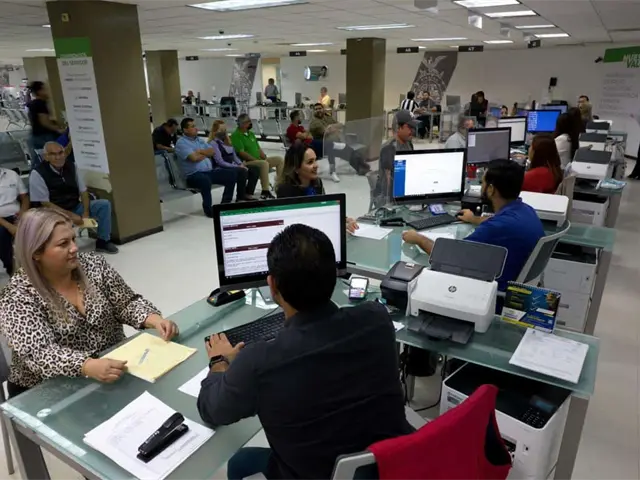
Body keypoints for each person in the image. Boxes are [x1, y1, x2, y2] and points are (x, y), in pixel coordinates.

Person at [197, 223, 411, 480]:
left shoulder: (259, 362)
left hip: (313, 473)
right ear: (334, 274)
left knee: (240, 462)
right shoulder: (376, 319)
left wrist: (219, 361)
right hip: (390, 464)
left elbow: (212, 410)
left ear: (272, 285)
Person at [0, 208, 178, 398]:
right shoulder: (17, 295)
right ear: (36, 252)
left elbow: (125, 303)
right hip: (48, 391)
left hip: (110, 371)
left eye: (73, 239)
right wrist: (86, 365)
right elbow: (39, 354)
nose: (74, 248)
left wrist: (153, 319)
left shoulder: (93, 264)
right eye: (63, 244)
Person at [402, 159, 544, 291]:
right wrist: (473, 219)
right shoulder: (526, 210)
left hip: (490, 293)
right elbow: (499, 222)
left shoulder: (495, 228)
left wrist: (419, 239)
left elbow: (449, 257)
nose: (481, 186)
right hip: (516, 287)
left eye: (483, 182)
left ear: (491, 189)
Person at [29, 142, 119, 254]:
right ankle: (62, 250)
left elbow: (83, 191)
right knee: (58, 224)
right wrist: (71, 216)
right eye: (53, 154)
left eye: (60, 153)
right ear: (46, 157)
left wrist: (85, 213)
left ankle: (103, 241)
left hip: (75, 206)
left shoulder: (72, 166)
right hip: (54, 212)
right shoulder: (37, 173)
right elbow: (46, 203)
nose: (58, 157)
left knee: (104, 205)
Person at [175, 118, 243, 214]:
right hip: (193, 175)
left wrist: (200, 152)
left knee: (231, 174)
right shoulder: (181, 143)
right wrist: (205, 154)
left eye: (195, 126)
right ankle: (208, 210)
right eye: (192, 126)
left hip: (208, 172)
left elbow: (212, 152)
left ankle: (225, 205)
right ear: (185, 130)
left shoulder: (199, 140)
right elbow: (193, 158)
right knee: (205, 180)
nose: (196, 128)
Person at [231, 113, 284, 199]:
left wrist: (265, 157)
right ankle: (265, 191)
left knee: (279, 159)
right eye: (248, 121)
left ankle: (280, 186)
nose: (250, 123)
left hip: (258, 160)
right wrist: (256, 160)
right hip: (246, 162)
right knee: (264, 164)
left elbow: (258, 149)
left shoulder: (251, 134)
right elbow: (242, 153)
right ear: (243, 124)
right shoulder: (236, 136)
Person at [207, 120, 258, 200]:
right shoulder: (213, 143)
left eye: (225, 130)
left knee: (254, 169)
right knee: (242, 171)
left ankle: (248, 193)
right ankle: (240, 197)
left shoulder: (227, 142)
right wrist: (236, 166)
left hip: (232, 165)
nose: (223, 132)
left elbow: (234, 156)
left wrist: (240, 164)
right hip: (221, 168)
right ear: (215, 131)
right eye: (221, 130)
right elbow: (220, 162)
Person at [375, 111, 416, 205]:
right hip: (389, 198)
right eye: (409, 127)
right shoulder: (389, 148)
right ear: (398, 128)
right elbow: (389, 182)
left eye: (413, 127)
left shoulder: (408, 144)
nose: (413, 130)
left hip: (405, 189)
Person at [0, 167, 29, 275]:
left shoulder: (11, 174)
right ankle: (11, 269)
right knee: (2, 235)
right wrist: (9, 226)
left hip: (16, 214)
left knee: (35, 226)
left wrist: (22, 215)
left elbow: (25, 197)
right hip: (1, 220)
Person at [27, 81, 65, 155]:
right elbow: (44, 122)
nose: (48, 91)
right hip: (44, 137)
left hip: (35, 135)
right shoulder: (40, 103)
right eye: (45, 89)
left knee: (39, 157)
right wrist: (58, 129)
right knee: (52, 156)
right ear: (40, 91)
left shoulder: (33, 103)